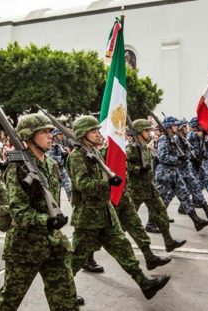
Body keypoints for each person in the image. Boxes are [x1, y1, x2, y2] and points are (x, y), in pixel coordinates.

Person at [67, 115, 171, 301]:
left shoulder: (94, 152)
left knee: (123, 248)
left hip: (105, 213)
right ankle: (64, 293)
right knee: (77, 258)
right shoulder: (77, 156)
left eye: (98, 130)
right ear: (83, 134)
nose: (98, 133)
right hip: (88, 218)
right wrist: (108, 182)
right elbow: (82, 184)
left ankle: (144, 283)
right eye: (94, 131)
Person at [0, 114, 79, 310]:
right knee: (9, 299)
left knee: (66, 297)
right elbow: (19, 212)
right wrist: (46, 221)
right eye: (44, 132)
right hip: (25, 247)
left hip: (54, 243)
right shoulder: (18, 168)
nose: (50, 135)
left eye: (50, 131)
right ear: (29, 136)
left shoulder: (50, 163)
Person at [126, 119, 186, 252]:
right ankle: (94, 253)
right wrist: (138, 169)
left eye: (150, 130)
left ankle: (168, 241)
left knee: (161, 212)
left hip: (149, 187)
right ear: (139, 132)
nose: (150, 133)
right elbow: (125, 166)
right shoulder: (131, 148)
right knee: (127, 220)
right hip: (136, 190)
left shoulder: (144, 146)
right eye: (147, 130)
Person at [155, 116, 208, 231]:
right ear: (168, 127)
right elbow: (163, 157)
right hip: (165, 174)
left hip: (174, 173)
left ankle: (196, 221)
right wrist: (178, 158)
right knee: (160, 200)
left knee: (185, 196)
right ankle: (151, 224)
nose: (177, 127)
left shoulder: (173, 138)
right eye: (174, 125)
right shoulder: (163, 139)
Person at [47, 128, 72, 201]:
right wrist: (62, 156)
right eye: (60, 134)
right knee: (54, 189)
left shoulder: (60, 144)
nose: (62, 136)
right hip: (55, 169)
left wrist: (66, 151)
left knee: (68, 186)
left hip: (61, 168)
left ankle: (71, 200)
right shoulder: (51, 144)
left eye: (62, 134)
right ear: (55, 135)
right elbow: (50, 157)